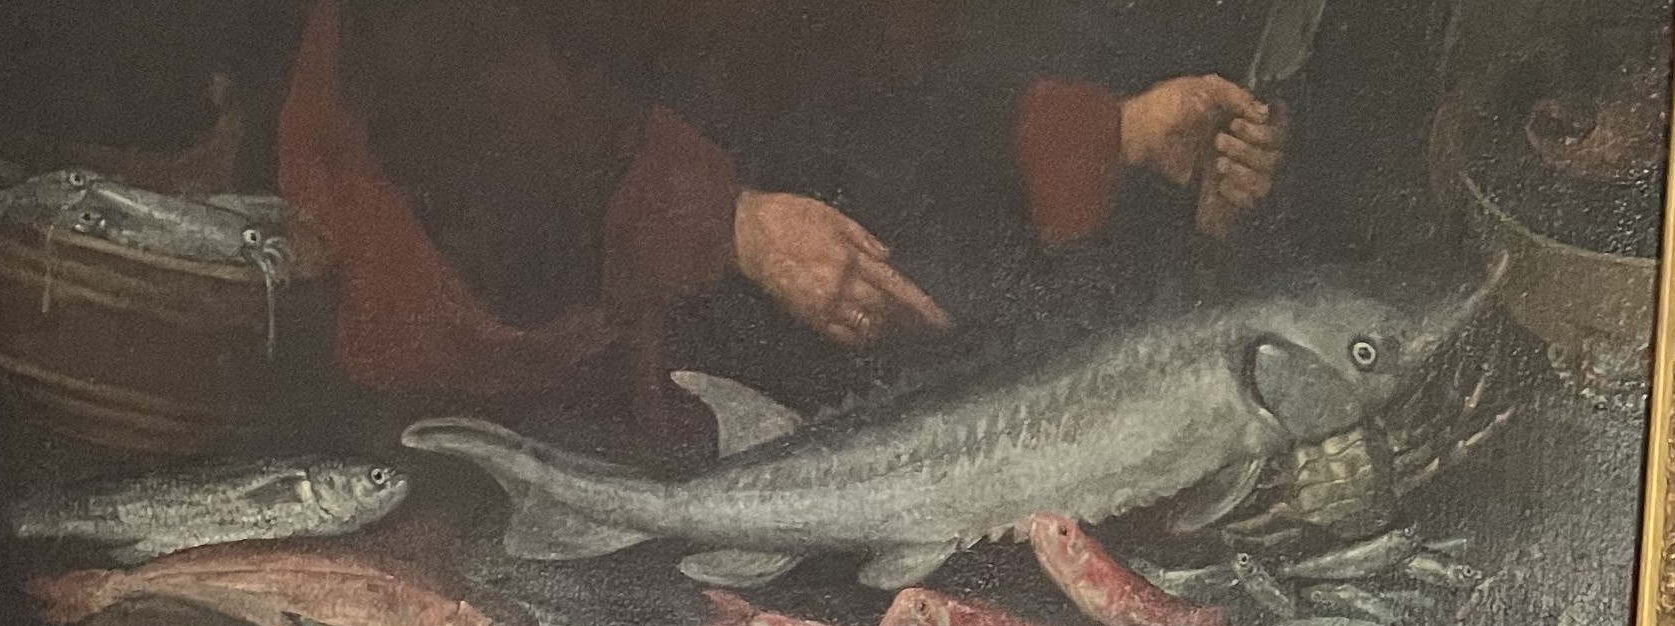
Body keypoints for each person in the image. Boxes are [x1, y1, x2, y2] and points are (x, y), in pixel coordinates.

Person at [278, 0, 1286, 405]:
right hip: (489, 344)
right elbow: (456, 108)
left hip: (713, 357)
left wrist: (1114, 132)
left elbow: (859, 67)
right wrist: (731, 223)